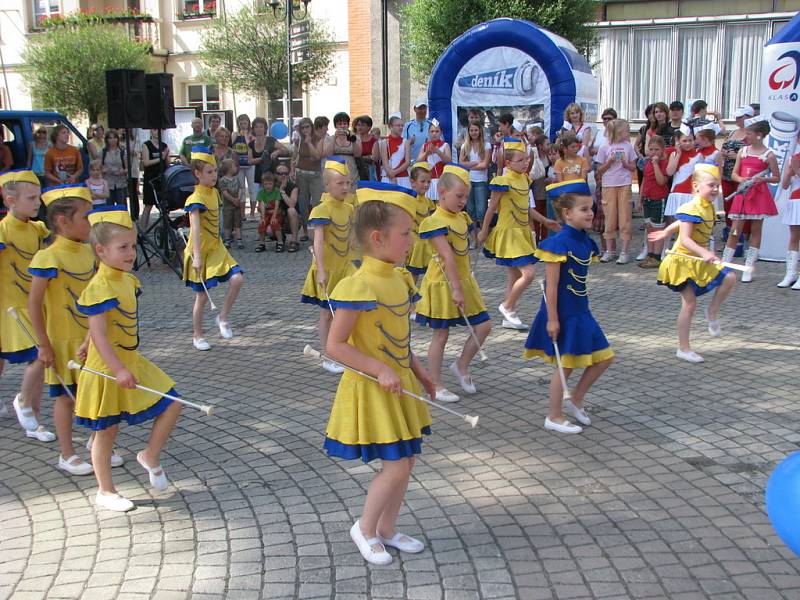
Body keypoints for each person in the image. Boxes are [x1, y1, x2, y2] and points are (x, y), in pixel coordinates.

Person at [324, 183, 434, 566]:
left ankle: (387, 529)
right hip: (373, 387)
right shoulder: (358, 285)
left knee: (408, 460)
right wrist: (380, 369)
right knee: (397, 464)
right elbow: (335, 346)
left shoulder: (400, 277)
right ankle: (365, 528)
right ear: (377, 237)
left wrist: (421, 373)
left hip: (399, 384)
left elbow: (401, 341)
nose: (411, 240)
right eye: (405, 234)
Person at [73, 205, 182, 511]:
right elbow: (101, 334)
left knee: (172, 402)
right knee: (106, 431)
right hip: (108, 367)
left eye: (133, 246)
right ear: (100, 250)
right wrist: (117, 368)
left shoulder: (128, 280)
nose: (131, 253)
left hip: (131, 360)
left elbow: (98, 328)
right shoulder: (100, 286)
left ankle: (150, 455)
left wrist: (85, 343)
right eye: (123, 247)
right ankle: (105, 491)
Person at [523, 192, 613, 434]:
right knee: (566, 365)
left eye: (591, 208)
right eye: (584, 209)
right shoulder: (558, 243)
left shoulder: (584, 241)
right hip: (563, 313)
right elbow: (550, 286)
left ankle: (575, 399)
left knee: (604, 357)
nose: (590, 213)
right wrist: (552, 319)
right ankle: (553, 415)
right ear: (567, 213)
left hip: (581, 310)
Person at [27, 185, 96, 475]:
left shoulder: (90, 252)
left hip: (91, 338)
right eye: (85, 217)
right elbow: (34, 306)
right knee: (65, 398)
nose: (90, 223)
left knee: (95, 394)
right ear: (62, 222)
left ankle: (98, 444)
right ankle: (66, 454)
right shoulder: (48, 257)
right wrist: (43, 344)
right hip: (62, 340)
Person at [415, 165, 491, 402]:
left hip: (463, 280)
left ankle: (461, 366)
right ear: (442, 191)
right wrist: (456, 289)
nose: (463, 201)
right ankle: (434, 385)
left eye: (466, 196)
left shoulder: (462, 217)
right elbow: (447, 256)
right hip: (443, 284)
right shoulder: (435, 221)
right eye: (459, 196)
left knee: (484, 325)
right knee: (441, 334)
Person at [654, 164, 737, 363]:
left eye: (717, 185)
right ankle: (683, 348)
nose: (716, 189)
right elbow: (685, 240)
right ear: (696, 186)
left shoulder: (708, 205)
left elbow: (683, 223)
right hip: (682, 261)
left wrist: (666, 231)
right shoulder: (691, 207)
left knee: (730, 277)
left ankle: (712, 312)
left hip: (699, 258)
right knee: (689, 303)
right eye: (711, 185)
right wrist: (705, 252)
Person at [480, 138, 559, 329]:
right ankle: (506, 306)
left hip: (522, 231)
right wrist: (484, 231)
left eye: (526, 159)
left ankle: (510, 315)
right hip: (509, 233)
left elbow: (526, 208)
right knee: (529, 274)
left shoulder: (524, 179)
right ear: (508, 163)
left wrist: (545, 221)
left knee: (514, 276)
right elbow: (492, 209)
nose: (525, 163)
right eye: (521, 160)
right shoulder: (503, 182)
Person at [0, 169, 53, 441]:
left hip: (32, 304)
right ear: (10, 200)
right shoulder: (2, 230)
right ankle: (22, 402)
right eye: (31, 198)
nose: (37, 203)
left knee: (40, 358)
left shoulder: (36, 229)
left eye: (38, 198)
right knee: (32, 357)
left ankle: (33, 415)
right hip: (8, 306)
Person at [182, 147, 244, 351]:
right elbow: (196, 231)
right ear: (197, 174)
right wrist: (197, 258)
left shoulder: (215, 193)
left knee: (237, 279)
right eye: (209, 172)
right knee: (201, 296)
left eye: (215, 171)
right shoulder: (195, 200)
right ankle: (197, 335)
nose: (214, 175)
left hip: (216, 247)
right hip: (200, 250)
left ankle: (223, 317)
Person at [301, 158, 356, 374]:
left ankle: (345, 349)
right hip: (328, 268)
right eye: (340, 183)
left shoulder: (350, 208)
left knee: (349, 308)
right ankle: (327, 354)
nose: (345, 187)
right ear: (327, 186)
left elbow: (351, 238)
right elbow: (318, 242)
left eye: (348, 183)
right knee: (327, 313)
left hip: (346, 267)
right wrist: (321, 270)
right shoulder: (322, 210)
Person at [722, 120, 781, 281]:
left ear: (759, 135)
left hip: (758, 195)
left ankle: (748, 267)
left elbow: (777, 177)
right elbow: (734, 174)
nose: (746, 136)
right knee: (735, 229)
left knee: (756, 230)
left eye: (749, 133)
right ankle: (725, 264)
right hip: (742, 193)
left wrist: (762, 180)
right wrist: (742, 179)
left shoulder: (768, 155)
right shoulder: (743, 151)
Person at [595, 119, 637, 264]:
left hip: (624, 184)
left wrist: (625, 163)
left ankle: (624, 251)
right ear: (619, 132)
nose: (628, 132)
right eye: (627, 130)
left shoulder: (628, 147)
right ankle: (609, 250)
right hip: (609, 185)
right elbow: (599, 170)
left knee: (625, 218)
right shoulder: (604, 147)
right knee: (610, 217)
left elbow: (633, 167)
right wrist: (609, 162)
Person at [638, 135, 670, 268]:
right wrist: (640, 199)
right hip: (647, 198)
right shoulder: (646, 163)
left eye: (656, 149)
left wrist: (656, 164)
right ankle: (650, 254)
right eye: (651, 149)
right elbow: (645, 181)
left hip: (659, 198)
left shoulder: (664, 163)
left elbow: (661, 181)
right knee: (649, 227)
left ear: (662, 150)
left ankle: (657, 256)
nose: (653, 152)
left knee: (658, 228)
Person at [721, 107, 754, 230]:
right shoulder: (732, 132)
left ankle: (743, 235)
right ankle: (729, 231)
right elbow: (723, 147)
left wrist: (737, 157)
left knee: (741, 205)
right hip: (727, 174)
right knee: (728, 205)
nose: (737, 119)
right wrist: (723, 153)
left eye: (740, 117)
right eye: (736, 117)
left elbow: (756, 155)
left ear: (749, 117)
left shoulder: (752, 135)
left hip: (742, 176)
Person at [293, 117, 326, 240]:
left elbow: (318, 155)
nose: (305, 129)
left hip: (315, 175)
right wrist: (293, 169)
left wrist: (309, 142)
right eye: (303, 127)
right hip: (301, 173)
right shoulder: (299, 140)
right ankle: (305, 232)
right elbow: (296, 156)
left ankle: (318, 232)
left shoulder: (318, 139)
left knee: (317, 202)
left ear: (311, 127)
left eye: (307, 127)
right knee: (303, 203)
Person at [405, 162, 435, 282]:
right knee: (413, 272)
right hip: (414, 242)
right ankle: (410, 296)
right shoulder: (409, 200)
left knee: (431, 271)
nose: (426, 185)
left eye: (428, 182)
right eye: (422, 181)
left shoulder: (428, 202)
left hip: (426, 240)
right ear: (412, 182)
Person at [459, 122, 492, 233]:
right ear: (468, 132)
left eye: (476, 130)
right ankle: (474, 239)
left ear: (480, 131)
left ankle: (483, 238)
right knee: (470, 211)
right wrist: (476, 162)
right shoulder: (465, 146)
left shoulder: (486, 145)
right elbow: (461, 164)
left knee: (481, 211)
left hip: (481, 181)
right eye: (471, 130)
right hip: (468, 181)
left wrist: (469, 165)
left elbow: (485, 165)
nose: (473, 133)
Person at [777, 141, 800, 289]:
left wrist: (797, 169)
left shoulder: (796, 161)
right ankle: (790, 273)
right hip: (795, 201)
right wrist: (789, 173)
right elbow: (785, 185)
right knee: (794, 238)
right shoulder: (793, 158)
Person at [664, 129, 699, 221]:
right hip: (677, 192)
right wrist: (678, 154)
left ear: (694, 140)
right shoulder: (674, 154)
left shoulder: (699, 155)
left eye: (690, 140)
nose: (687, 143)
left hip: (693, 194)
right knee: (677, 225)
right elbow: (669, 172)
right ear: (678, 141)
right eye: (684, 141)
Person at [140, 129, 169, 231]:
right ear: (151, 132)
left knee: (164, 206)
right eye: (155, 130)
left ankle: (163, 230)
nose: (157, 132)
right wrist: (161, 157)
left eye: (159, 130)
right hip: (150, 179)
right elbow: (146, 162)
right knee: (148, 205)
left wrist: (166, 157)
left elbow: (167, 163)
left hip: (161, 179)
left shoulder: (164, 145)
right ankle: (143, 231)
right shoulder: (146, 145)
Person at [256, 171, 292, 253]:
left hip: (277, 213)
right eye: (265, 184)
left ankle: (280, 242)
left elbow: (276, 206)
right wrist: (262, 218)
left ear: (273, 184)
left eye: (270, 184)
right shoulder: (261, 193)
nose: (268, 186)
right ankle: (262, 243)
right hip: (266, 213)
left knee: (275, 223)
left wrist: (273, 217)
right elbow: (261, 206)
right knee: (262, 224)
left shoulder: (276, 192)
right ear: (262, 184)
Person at [416, 120, 451, 201]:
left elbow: (449, 161)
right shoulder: (425, 145)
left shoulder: (445, 145)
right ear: (428, 132)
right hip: (429, 180)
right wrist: (426, 153)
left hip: (441, 179)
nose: (434, 133)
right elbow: (418, 161)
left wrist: (437, 151)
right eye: (432, 131)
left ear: (441, 132)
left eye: (436, 131)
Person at [232, 114, 257, 220]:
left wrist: (246, 136)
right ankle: (242, 215)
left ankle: (252, 213)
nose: (243, 125)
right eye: (241, 123)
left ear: (248, 123)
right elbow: (232, 146)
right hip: (239, 165)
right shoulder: (235, 133)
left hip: (250, 164)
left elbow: (251, 146)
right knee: (241, 189)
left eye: (245, 123)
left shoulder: (252, 135)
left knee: (252, 188)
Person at [381, 114, 411, 188]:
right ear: (391, 127)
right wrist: (391, 174)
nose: (401, 127)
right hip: (388, 177)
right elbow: (385, 162)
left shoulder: (406, 142)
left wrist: (394, 172)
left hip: (403, 177)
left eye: (402, 125)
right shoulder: (384, 142)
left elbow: (407, 162)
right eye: (398, 125)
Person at [218, 158, 243, 249]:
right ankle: (227, 239)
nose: (236, 167)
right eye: (234, 166)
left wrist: (239, 198)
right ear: (229, 168)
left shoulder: (236, 179)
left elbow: (240, 188)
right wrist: (233, 200)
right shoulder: (223, 181)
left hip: (236, 206)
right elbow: (225, 193)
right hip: (227, 206)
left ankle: (239, 239)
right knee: (227, 224)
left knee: (237, 223)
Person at [101, 130, 127, 206]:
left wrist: (124, 171)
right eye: (110, 138)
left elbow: (127, 168)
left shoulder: (122, 152)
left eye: (114, 138)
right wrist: (103, 170)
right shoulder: (103, 152)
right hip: (108, 183)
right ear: (107, 140)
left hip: (120, 183)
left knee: (121, 207)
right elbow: (97, 168)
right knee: (109, 207)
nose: (112, 140)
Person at [403, 98, 431, 165]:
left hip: (429, 163)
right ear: (415, 109)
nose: (422, 110)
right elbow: (402, 145)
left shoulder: (432, 124)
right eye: (420, 108)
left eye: (424, 108)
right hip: (412, 163)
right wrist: (409, 142)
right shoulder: (407, 125)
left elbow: (440, 142)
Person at [354, 115, 379, 181]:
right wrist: (367, 157)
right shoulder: (353, 139)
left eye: (363, 125)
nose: (360, 127)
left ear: (369, 127)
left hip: (369, 170)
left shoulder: (373, 141)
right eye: (358, 125)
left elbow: (375, 158)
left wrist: (360, 158)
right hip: (355, 169)